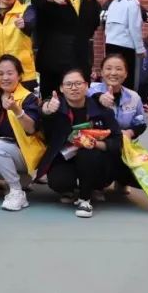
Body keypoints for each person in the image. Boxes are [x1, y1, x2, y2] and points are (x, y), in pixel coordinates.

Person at [38, 69, 121, 219]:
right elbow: (42, 114)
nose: (74, 88)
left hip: (96, 159)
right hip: (65, 158)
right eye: (68, 84)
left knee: (87, 151)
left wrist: (95, 143)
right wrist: (46, 109)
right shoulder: (57, 108)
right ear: (61, 88)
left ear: (87, 86)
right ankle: (71, 189)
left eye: (78, 83)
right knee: (59, 182)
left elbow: (117, 141)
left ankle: (85, 199)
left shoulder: (101, 109)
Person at [0, 55, 44, 211]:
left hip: (26, 152)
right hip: (1, 150)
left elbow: (31, 129)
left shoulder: (29, 98)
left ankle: (16, 191)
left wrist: (16, 110)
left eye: (10, 73)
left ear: (19, 75)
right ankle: (23, 180)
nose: (5, 78)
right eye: (0, 74)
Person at [32, 0, 101, 96]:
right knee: (52, 102)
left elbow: (94, 21)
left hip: (80, 59)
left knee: (80, 101)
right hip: (53, 61)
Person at [89, 53, 147, 194]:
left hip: (123, 144)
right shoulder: (90, 92)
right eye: (108, 68)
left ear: (126, 74)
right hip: (97, 144)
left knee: (145, 176)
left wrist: (129, 133)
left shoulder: (134, 97)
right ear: (101, 72)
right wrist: (100, 99)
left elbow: (141, 123)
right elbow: (92, 97)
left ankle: (122, 180)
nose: (113, 73)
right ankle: (96, 185)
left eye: (119, 69)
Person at [102, 0, 145, 90]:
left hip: (110, 43)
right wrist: (140, 49)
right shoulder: (132, 3)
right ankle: (126, 100)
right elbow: (135, 27)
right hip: (126, 45)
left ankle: (111, 97)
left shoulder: (113, 3)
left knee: (111, 76)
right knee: (126, 78)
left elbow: (107, 26)